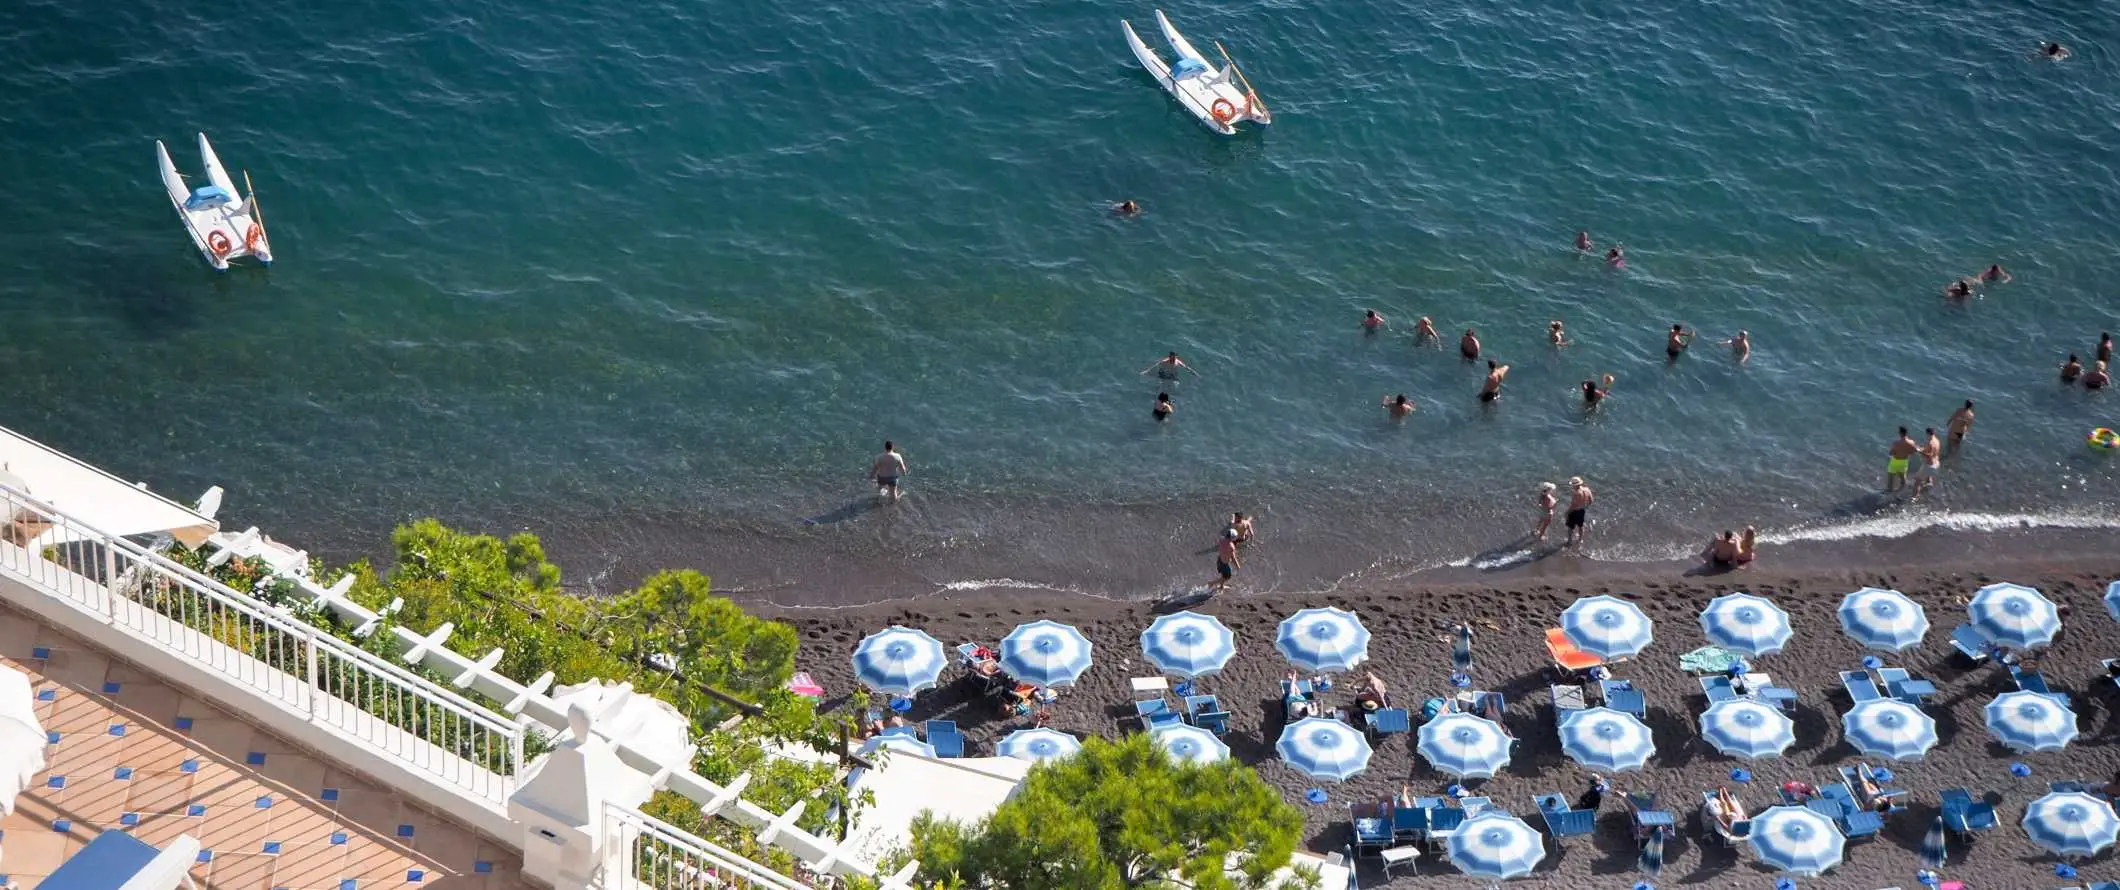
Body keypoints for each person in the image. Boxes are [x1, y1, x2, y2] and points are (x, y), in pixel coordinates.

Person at [1912, 427, 1943, 499]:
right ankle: (1929, 483)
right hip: (1936, 464)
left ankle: (1914, 498)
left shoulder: (1930, 443)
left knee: (1917, 482)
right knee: (1928, 475)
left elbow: (1930, 455)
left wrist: (1919, 451)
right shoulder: (1937, 441)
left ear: (1928, 433)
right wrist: (1921, 449)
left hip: (1929, 465)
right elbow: (1933, 452)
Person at [1886, 427, 1918, 492]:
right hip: (1904, 461)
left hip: (1895, 461)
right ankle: (1902, 489)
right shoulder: (1911, 442)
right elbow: (1914, 451)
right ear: (1906, 433)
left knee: (1891, 477)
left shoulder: (1896, 442)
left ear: (1900, 433)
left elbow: (1891, 453)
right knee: (1903, 477)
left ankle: (1889, 492)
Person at [1565, 476, 1594, 547]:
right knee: (1581, 526)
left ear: (1574, 485)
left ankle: (1569, 542)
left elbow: (1573, 506)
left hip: (1575, 511)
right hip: (1582, 510)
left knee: (1570, 528)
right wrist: (1584, 507)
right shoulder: (1587, 489)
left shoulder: (1576, 493)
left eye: (1572, 485)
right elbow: (1591, 501)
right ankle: (1580, 540)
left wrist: (1567, 513)